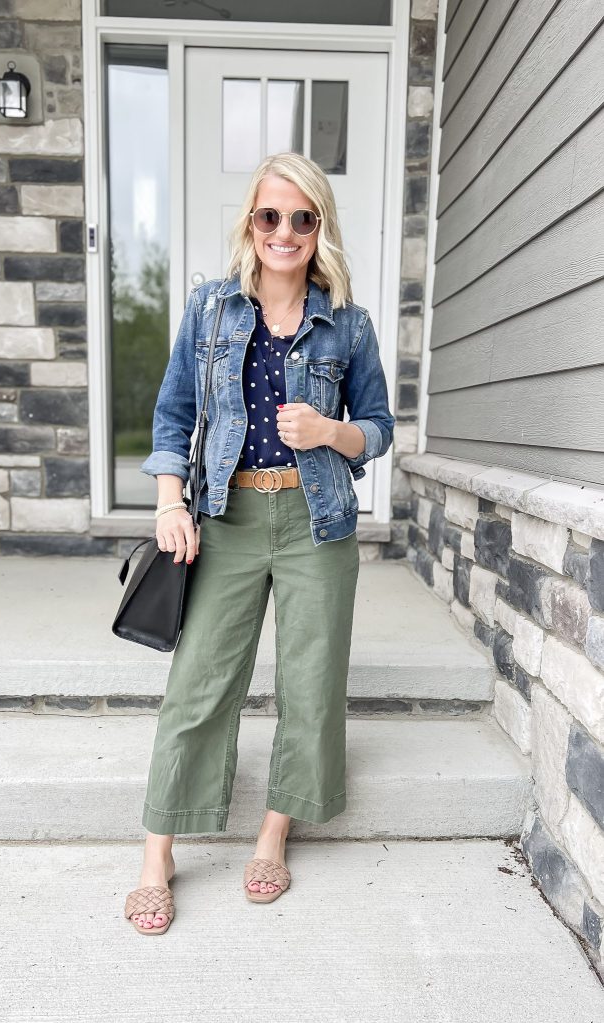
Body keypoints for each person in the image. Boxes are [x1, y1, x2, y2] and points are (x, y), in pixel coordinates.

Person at [124, 151, 395, 934]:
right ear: (251, 222)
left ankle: (273, 834)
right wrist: (170, 503)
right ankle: (156, 855)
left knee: (310, 686)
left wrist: (328, 431)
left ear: (320, 229)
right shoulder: (210, 309)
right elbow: (174, 415)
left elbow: (376, 428)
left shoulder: (347, 321)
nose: (284, 231)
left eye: (301, 218)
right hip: (229, 519)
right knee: (199, 685)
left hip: (317, 525)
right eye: (270, 216)